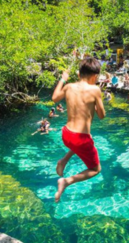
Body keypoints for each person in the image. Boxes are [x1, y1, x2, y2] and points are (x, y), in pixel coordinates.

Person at [51, 58, 106, 203]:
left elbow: (55, 98)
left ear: (80, 73)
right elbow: (101, 116)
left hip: (66, 134)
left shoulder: (68, 86)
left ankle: (63, 161)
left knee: (83, 142)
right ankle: (66, 182)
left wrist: (63, 79)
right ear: (94, 76)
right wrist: (94, 104)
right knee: (95, 169)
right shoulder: (95, 90)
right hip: (80, 139)